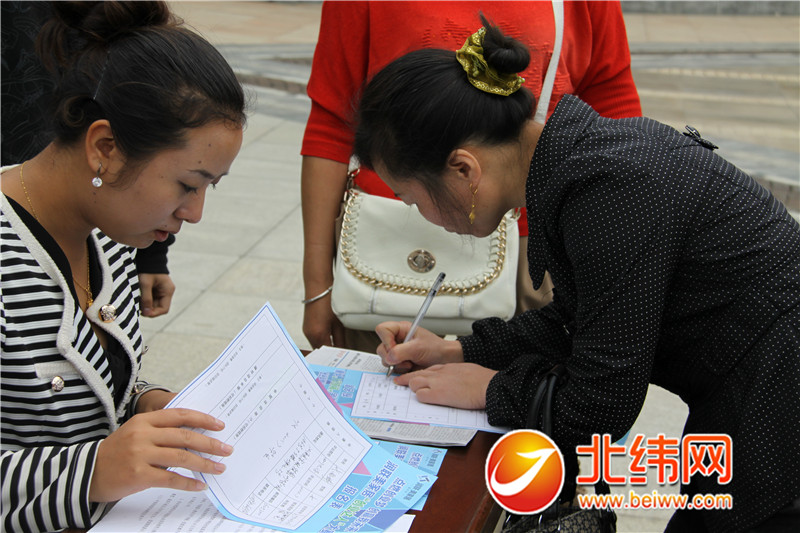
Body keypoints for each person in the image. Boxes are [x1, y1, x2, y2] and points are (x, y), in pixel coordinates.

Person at [353, 16, 800, 533]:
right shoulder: (579, 165)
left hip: (777, 411)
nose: (420, 215)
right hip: (757, 396)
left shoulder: (608, 191)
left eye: (412, 199)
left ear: (464, 170)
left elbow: (601, 402)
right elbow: (577, 320)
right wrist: (458, 351)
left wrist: (491, 388)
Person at [0, 2, 246, 531]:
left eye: (210, 187)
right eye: (187, 184)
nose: (195, 213)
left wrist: (147, 403)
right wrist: (93, 471)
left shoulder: (109, 237)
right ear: (105, 148)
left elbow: (98, 388)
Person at [300, 0, 642, 351]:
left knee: (541, 364)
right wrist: (317, 286)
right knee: (386, 372)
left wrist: (616, 249)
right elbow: (332, 122)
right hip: (389, 240)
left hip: (536, 236)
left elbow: (612, 99)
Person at [1, 0, 176, 319]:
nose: (194, 213)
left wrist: (152, 253)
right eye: (189, 185)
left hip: (96, 218)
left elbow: (149, 110)